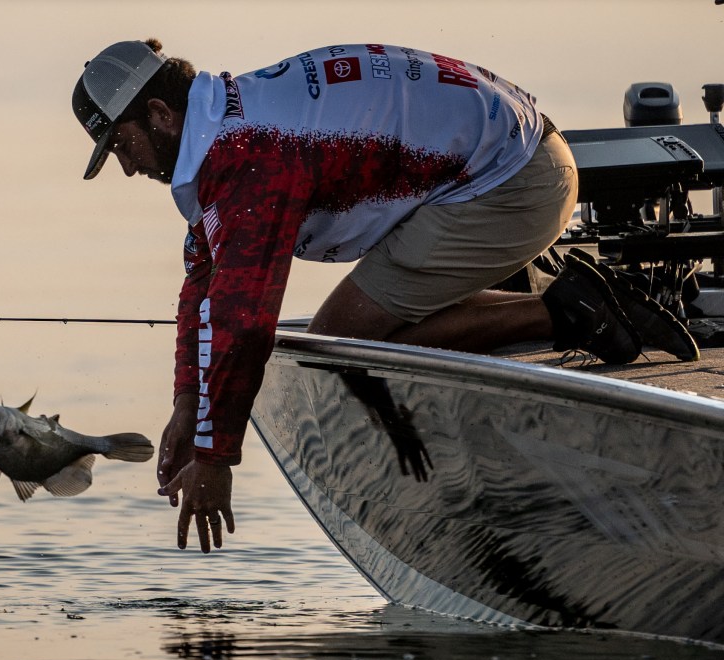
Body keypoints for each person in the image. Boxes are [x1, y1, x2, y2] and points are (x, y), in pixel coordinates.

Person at [71, 39, 699, 554]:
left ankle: (569, 312)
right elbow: (202, 287)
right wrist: (187, 404)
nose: (127, 167)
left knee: (339, 341)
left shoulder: (250, 159)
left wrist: (215, 458)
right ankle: (569, 300)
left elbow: (243, 324)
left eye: (122, 146)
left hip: (512, 184)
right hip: (513, 156)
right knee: (353, 325)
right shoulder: (230, 124)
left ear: (160, 114)